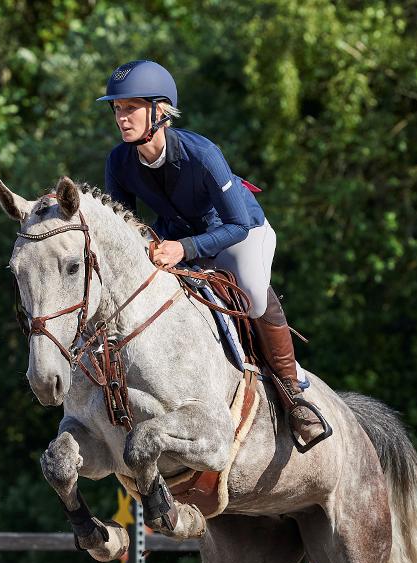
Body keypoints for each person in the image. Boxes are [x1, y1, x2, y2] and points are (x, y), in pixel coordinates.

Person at [98, 60, 332, 452]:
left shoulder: (202, 153)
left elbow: (237, 224)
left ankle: (294, 396)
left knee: (254, 294)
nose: (122, 118)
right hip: (178, 237)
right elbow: (125, 226)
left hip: (238, 232)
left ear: (160, 111)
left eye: (131, 108)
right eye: (118, 109)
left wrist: (185, 248)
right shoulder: (118, 161)